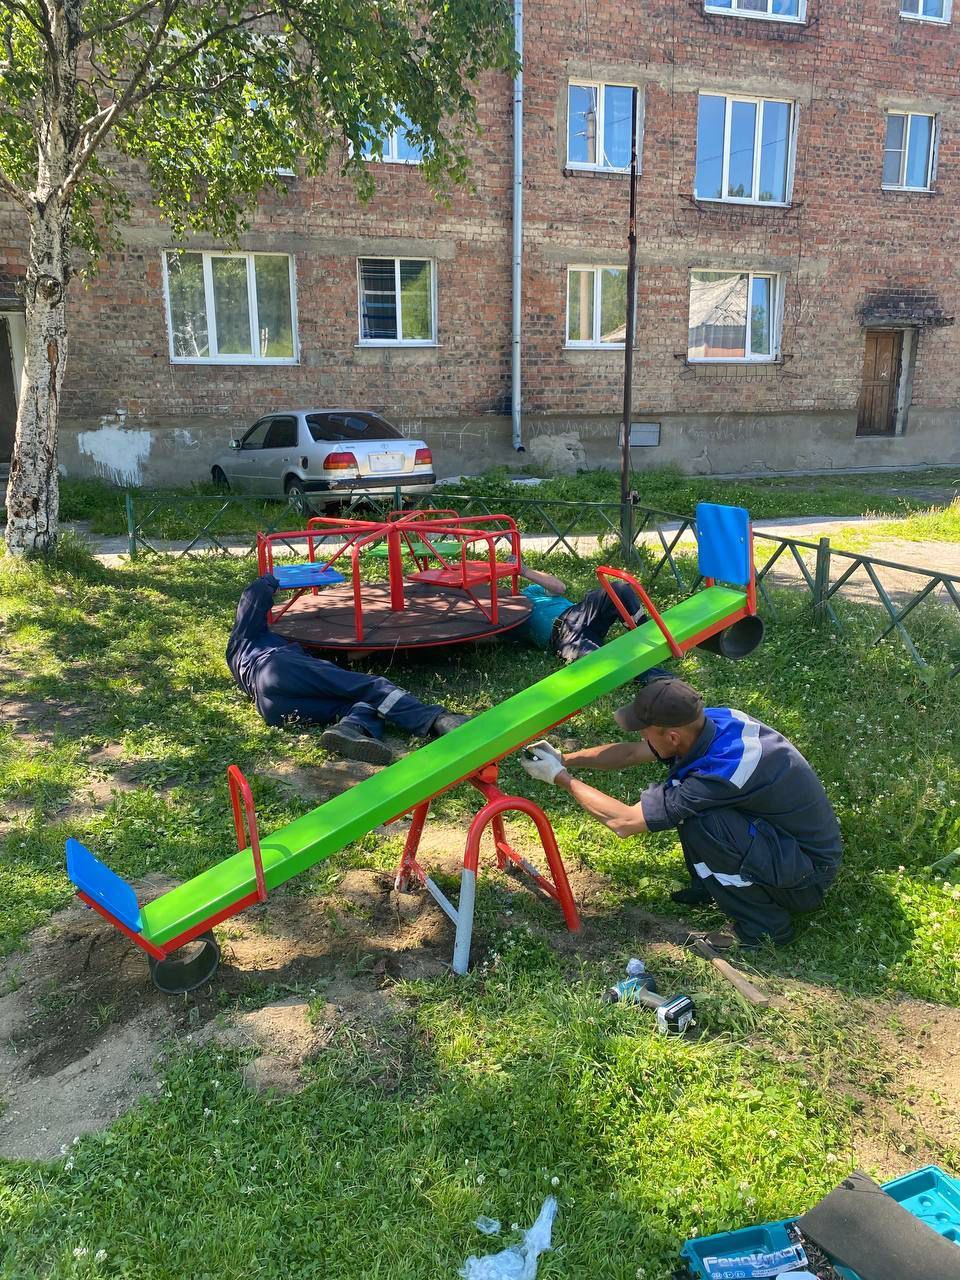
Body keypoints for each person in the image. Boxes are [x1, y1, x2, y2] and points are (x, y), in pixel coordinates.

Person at [519, 678, 842, 950]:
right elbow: (631, 753)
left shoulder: (724, 770)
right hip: (781, 843)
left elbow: (625, 822)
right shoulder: (708, 722)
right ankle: (714, 885)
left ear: (672, 736)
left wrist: (560, 777)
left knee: (706, 822)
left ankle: (764, 926)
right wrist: (564, 758)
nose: (642, 738)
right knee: (696, 814)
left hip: (805, 876)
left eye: (645, 732)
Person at [227, 573, 467, 765]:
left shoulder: (250, 653)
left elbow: (327, 664)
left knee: (357, 702)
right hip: (275, 668)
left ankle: (350, 729)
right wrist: (270, 580)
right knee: (371, 687)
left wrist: (367, 650)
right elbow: (251, 599)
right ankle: (436, 719)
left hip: (272, 707)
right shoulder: (243, 638)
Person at [507, 556, 671, 678]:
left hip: (578, 614)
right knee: (602, 661)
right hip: (562, 638)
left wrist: (524, 571)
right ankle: (658, 678)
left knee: (619, 589)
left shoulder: (530, 592)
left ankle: (652, 640)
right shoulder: (506, 616)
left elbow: (560, 587)